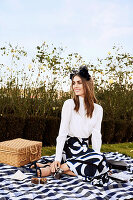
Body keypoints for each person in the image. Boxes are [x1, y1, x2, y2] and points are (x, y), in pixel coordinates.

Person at [32, 65, 109, 184]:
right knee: (100, 169)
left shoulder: (98, 109)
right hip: (69, 147)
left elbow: (96, 135)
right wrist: (57, 158)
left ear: (87, 85)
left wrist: (95, 158)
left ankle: (55, 169)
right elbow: (62, 132)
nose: (75, 86)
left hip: (83, 148)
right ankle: (58, 165)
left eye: (79, 82)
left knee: (100, 161)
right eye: (74, 83)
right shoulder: (69, 104)